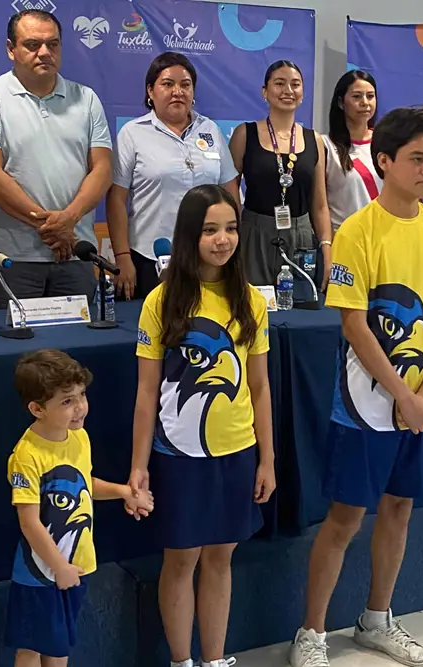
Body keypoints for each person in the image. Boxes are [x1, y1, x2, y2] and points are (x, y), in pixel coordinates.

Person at [288, 109, 423, 667]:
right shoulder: (357, 232)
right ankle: (311, 633)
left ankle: (376, 619)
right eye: (417, 159)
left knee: (399, 508)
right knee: (345, 519)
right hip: (365, 406)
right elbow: (354, 324)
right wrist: (402, 396)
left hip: (421, 403)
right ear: (385, 161)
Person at [130, 184, 276, 667]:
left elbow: (259, 386)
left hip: (236, 452)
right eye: (210, 230)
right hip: (179, 457)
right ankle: (182, 660)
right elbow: (147, 392)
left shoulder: (250, 301)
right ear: (189, 235)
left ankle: (214, 659)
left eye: (231, 228)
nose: (222, 239)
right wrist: (139, 467)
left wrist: (267, 459)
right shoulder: (161, 302)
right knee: (182, 558)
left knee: (220, 557)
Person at [5, 349, 154, 667]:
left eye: (82, 395)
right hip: (40, 573)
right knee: (33, 648)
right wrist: (58, 566)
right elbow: (29, 522)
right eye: (66, 401)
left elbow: (84, 484)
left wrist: (124, 492)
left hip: (75, 565)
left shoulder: (79, 438)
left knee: (59, 646)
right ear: (37, 409)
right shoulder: (27, 456)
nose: (80, 407)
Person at [0, 9, 113, 308]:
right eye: (32, 45)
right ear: (11, 49)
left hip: (75, 252)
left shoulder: (86, 99)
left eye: (53, 44)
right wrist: (55, 228)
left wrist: (69, 220)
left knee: (75, 337)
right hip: (13, 259)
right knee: (15, 338)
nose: (44, 52)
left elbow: (103, 170)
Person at [107, 52, 239, 300]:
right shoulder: (132, 133)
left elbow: (230, 191)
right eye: (168, 84)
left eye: (185, 85)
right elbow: (116, 199)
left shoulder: (210, 130)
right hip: (149, 258)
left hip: (208, 256)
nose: (178, 91)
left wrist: (232, 242)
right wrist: (122, 256)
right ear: (150, 90)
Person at [229, 60, 331, 290]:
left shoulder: (314, 140)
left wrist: (326, 246)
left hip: (301, 238)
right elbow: (229, 191)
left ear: (303, 93)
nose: (288, 90)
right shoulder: (245, 134)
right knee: (252, 304)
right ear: (265, 91)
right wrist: (235, 234)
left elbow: (320, 204)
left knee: (299, 305)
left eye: (295, 84)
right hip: (254, 235)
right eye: (279, 83)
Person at [322, 70, 382, 231]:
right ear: (341, 102)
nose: (365, 102)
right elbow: (319, 205)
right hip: (343, 238)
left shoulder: (386, 142)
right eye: (357, 96)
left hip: (384, 237)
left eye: (370, 96)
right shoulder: (326, 145)